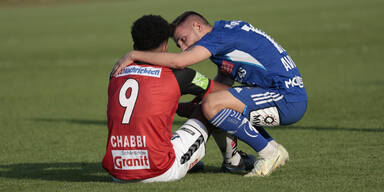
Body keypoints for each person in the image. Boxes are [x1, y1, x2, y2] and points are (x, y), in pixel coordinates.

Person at [112, 11, 308, 177]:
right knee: (212, 104)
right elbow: (222, 85)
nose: (183, 47)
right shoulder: (224, 34)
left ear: (198, 27)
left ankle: (269, 152)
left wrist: (133, 55)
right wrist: (197, 105)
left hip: (286, 98)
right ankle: (238, 160)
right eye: (178, 43)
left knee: (213, 105)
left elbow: (181, 62)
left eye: (183, 39)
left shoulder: (218, 38)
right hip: (279, 95)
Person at [102, 14, 254, 183]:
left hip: (117, 172)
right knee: (215, 104)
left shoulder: (116, 72)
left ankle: (187, 159)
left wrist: (179, 107)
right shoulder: (180, 75)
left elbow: (143, 104)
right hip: (159, 171)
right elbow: (224, 92)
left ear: (134, 45)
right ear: (165, 46)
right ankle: (233, 162)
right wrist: (230, 69)